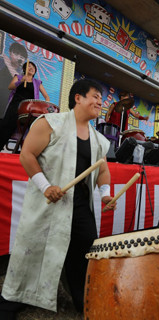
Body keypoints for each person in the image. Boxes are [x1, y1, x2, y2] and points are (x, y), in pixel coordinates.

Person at [0, 79, 116, 319]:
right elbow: (27, 155)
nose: (99, 102)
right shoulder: (50, 124)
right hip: (50, 202)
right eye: (95, 96)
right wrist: (46, 187)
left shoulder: (97, 139)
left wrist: (105, 194)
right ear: (78, 98)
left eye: (100, 99)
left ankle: (82, 299)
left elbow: (102, 170)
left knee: (85, 252)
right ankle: (13, 300)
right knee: (32, 251)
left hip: (81, 206)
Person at [0, 61, 50, 152]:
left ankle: (22, 154)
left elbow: (46, 96)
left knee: (27, 131)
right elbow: (10, 87)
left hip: (28, 108)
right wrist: (21, 80)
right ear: (24, 69)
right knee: (6, 127)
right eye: (29, 67)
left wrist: (47, 106)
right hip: (16, 105)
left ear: (35, 71)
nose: (31, 68)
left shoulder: (37, 82)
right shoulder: (18, 77)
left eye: (33, 67)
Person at [0, 42, 28, 119]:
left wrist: (8, 64)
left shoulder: (23, 74)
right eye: (16, 54)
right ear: (9, 53)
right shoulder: (2, 62)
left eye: (22, 57)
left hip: (6, 111)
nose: (19, 58)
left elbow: (18, 80)